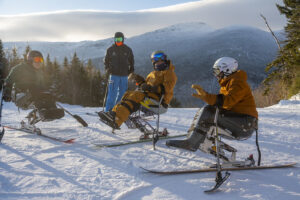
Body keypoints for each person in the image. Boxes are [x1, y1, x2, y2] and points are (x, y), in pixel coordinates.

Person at [166, 57, 258, 151]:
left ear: (227, 70)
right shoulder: (228, 84)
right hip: (241, 122)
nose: (216, 74)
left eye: (217, 71)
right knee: (208, 111)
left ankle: (191, 143)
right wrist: (207, 98)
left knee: (208, 111)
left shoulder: (237, 82)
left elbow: (227, 101)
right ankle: (196, 140)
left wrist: (206, 96)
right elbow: (223, 105)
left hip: (245, 124)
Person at [98, 50, 177, 129]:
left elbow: (166, 88)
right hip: (149, 98)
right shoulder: (153, 73)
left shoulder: (169, 73)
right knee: (128, 94)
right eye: (155, 59)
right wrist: (138, 80)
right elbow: (145, 85)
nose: (158, 61)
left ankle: (116, 121)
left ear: (165, 59)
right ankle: (113, 114)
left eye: (161, 58)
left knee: (135, 95)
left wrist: (150, 88)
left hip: (159, 102)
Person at [2, 50, 64, 125]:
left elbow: (42, 87)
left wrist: (49, 95)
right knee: (34, 89)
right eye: (37, 60)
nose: (39, 62)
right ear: (30, 60)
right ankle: (42, 112)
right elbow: (9, 81)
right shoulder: (20, 68)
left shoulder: (39, 72)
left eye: (41, 60)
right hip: (20, 96)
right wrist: (7, 92)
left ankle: (52, 112)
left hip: (32, 95)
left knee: (48, 95)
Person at [104, 32, 134, 111]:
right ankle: (108, 110)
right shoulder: (110, 49)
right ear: (114, 40)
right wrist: (107, 68)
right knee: (112, 93)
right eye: (116, 39)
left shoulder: (127, 49)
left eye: (120, 39)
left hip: (124, 75)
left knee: (122, 94)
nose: (118, 41)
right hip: (114, 75)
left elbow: (131, 60)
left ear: (123, 39)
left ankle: (117, 109)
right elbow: (106, 61)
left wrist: (131, 68)